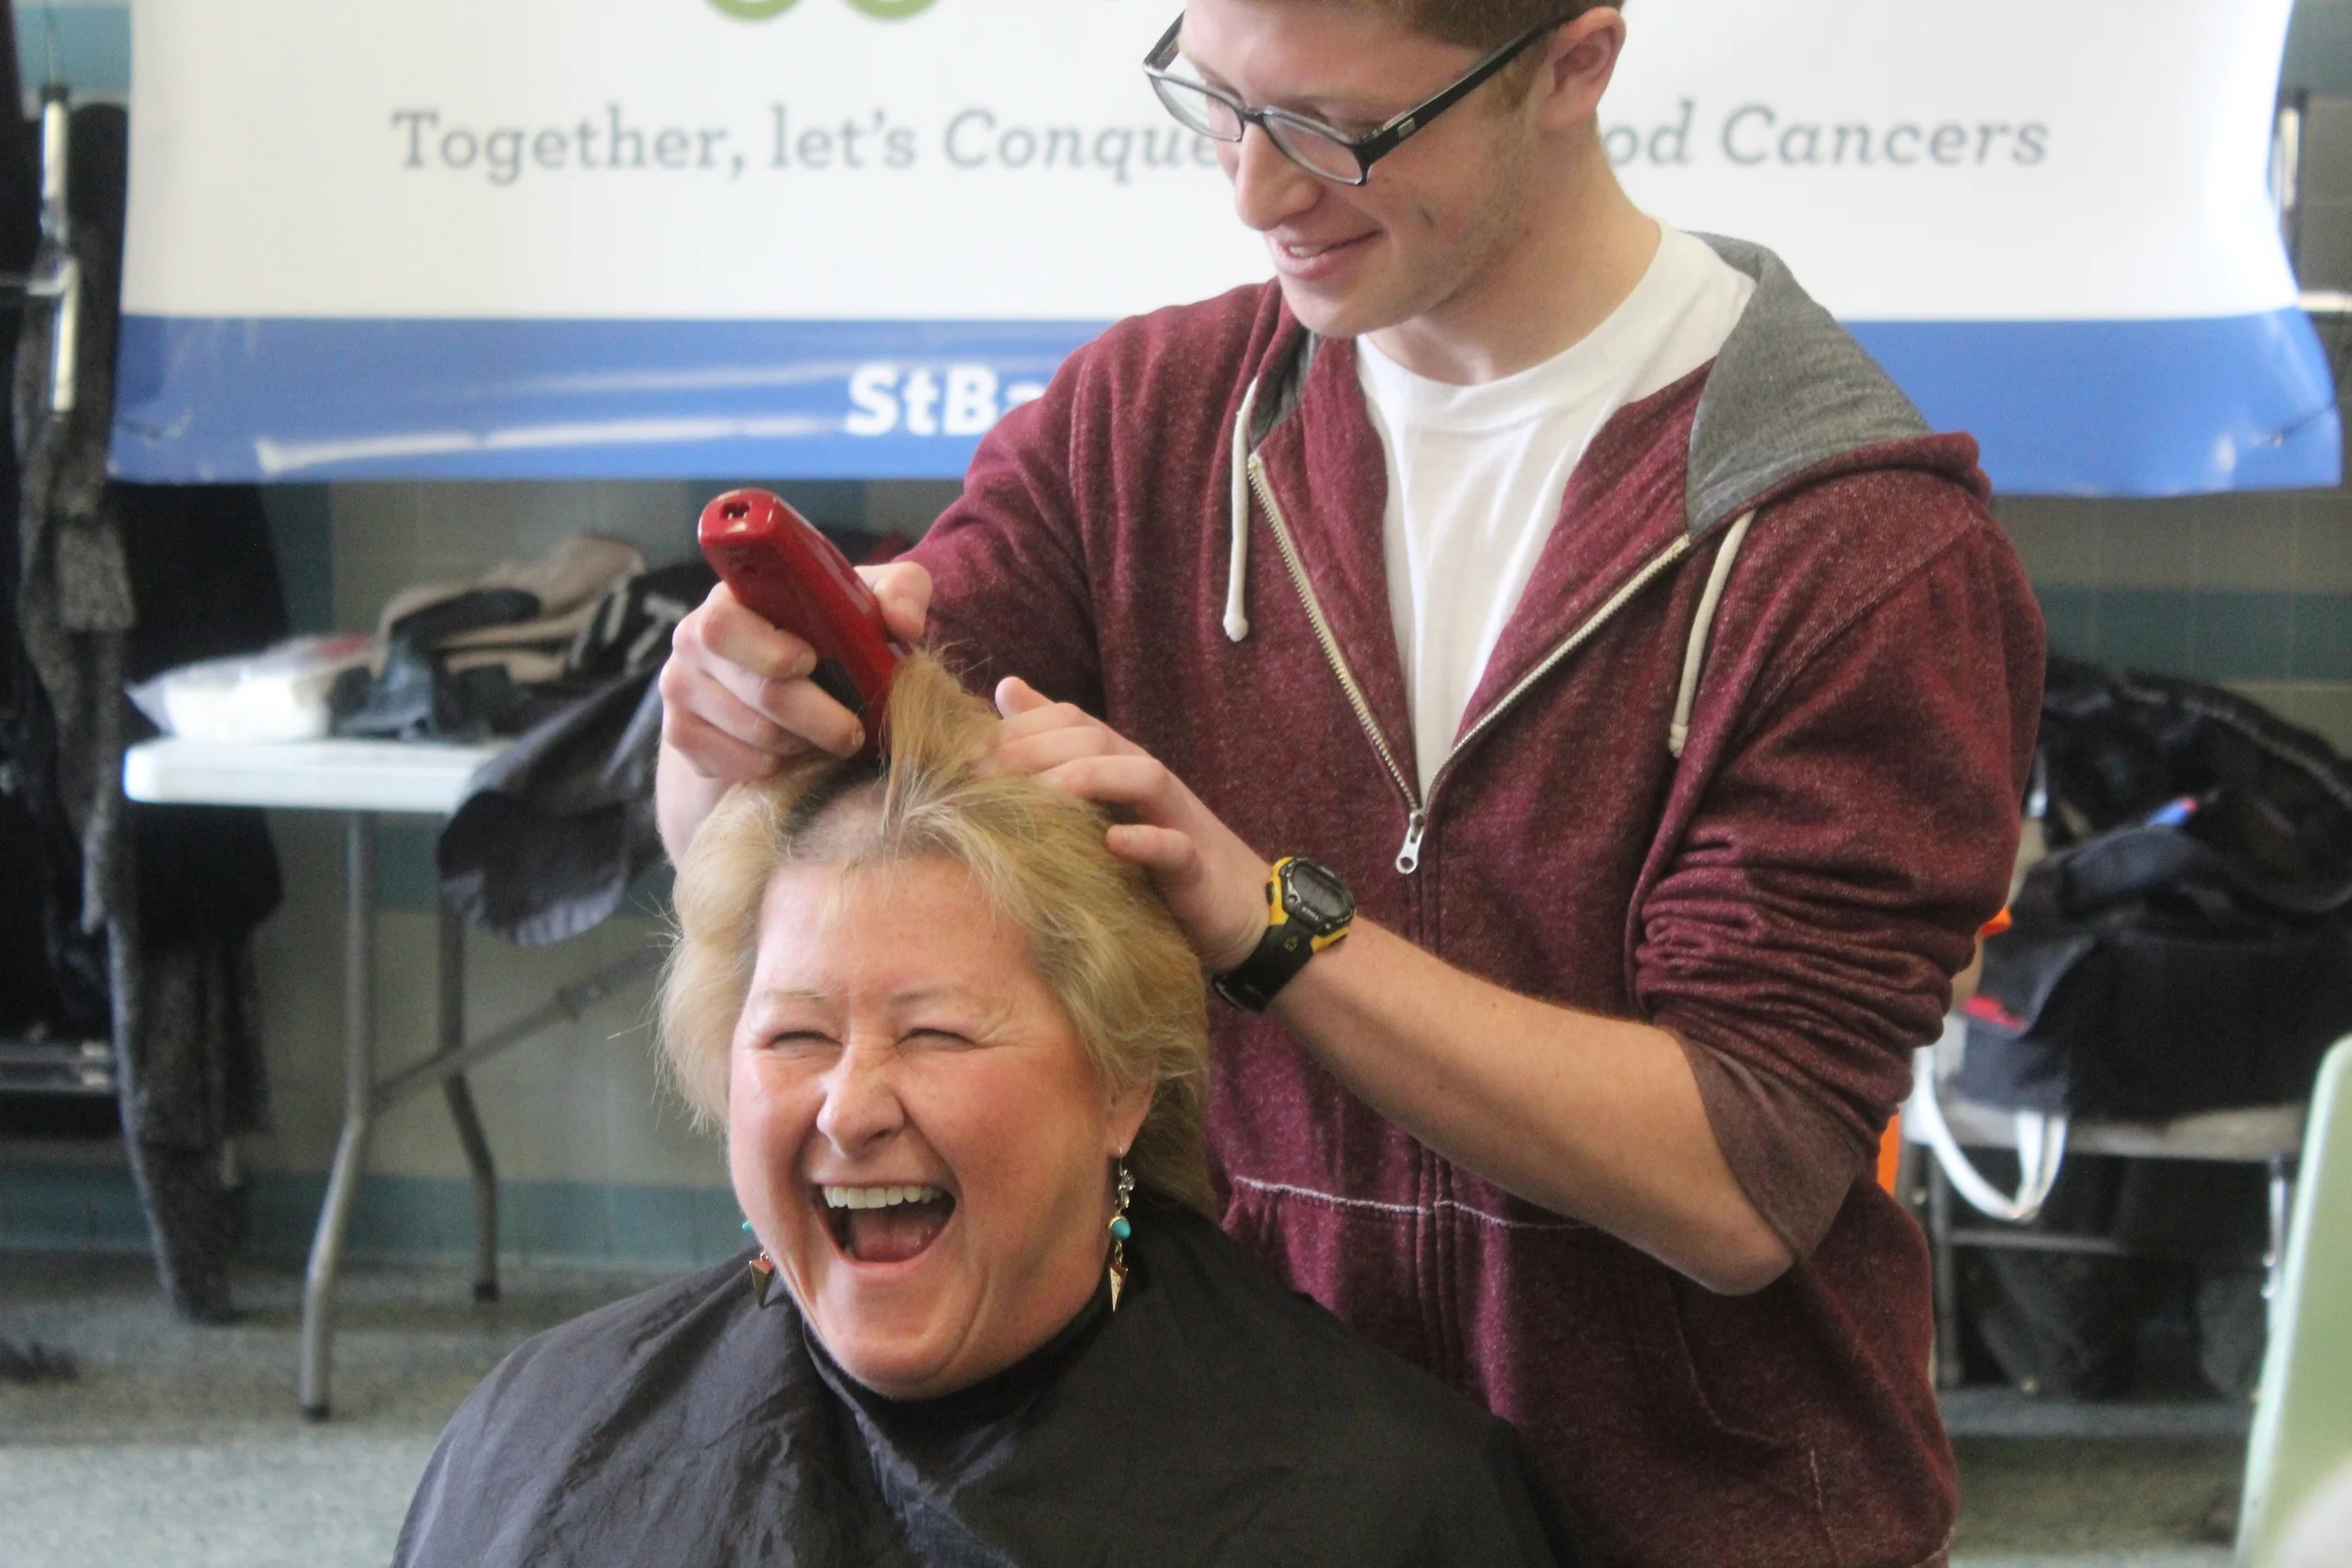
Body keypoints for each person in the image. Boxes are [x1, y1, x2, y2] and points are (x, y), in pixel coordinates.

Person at [658, 2, 2043, 1561]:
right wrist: (723, 734)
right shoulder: (1145, 429)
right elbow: (799, 840)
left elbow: (1738, 1181)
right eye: (1221, 105)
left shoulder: (1852, 552)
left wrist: (1272, 924)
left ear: (1575, 64)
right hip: (1255, 1501)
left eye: (1336, 129)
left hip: (1689, 1517)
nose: (1258, 192)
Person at [396, 654, 1580, 1567]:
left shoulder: (1379, 1505)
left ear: (1121, 1081)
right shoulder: (541, 1438)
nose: (849, 1108)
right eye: (794, 1036)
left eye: (936, 1032)